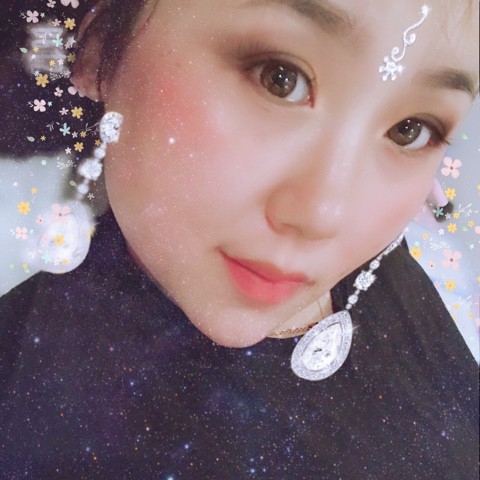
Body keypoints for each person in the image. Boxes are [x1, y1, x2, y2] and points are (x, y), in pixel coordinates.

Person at [0, 0, 478, 478]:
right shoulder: (34, 404)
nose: (324, 215)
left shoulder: (393, 280)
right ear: (99, 47)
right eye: (280, 78)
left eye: (410, 131)